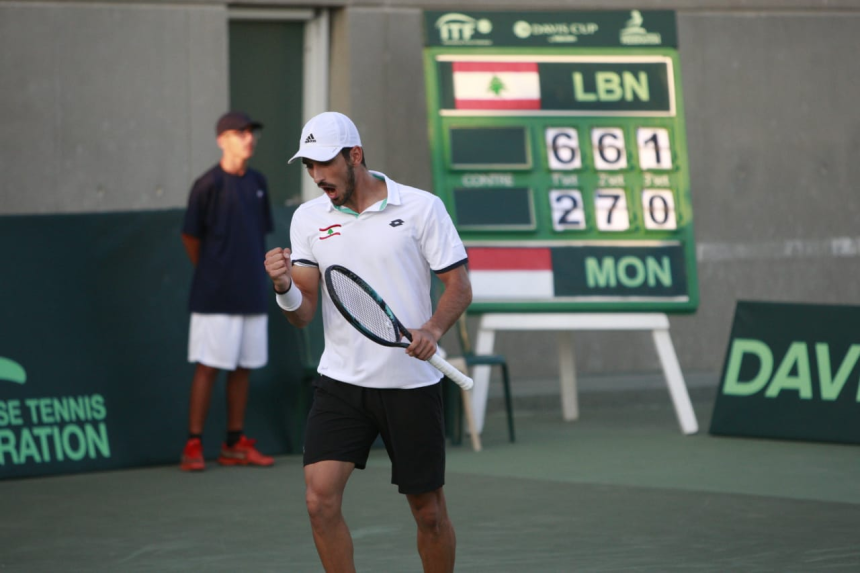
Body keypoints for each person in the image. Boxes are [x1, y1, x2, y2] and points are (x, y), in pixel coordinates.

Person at [264, 111, 471, 572]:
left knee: (429, 514)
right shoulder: (308, 219)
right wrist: (283, 287)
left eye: (324, 163)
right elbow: (303, 312)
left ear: (354, 155)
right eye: (309, 166)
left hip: (411, 384)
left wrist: (432, 330)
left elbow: (459, 287)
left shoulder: (422, 208)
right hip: (342, 383)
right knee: (319, 501)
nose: (316, 175)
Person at [179, 111, 275, 472]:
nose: (248, 138)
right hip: (215, 296)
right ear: (222, 140)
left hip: (252, 292)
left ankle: (234, 444)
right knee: (209, 367)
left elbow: (258, 234)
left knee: (244, 367)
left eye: (251, 133)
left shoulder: (259, 182)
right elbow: (190, 236)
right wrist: (211, 272)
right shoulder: (207, 185)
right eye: (240, 133)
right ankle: (193, 444)